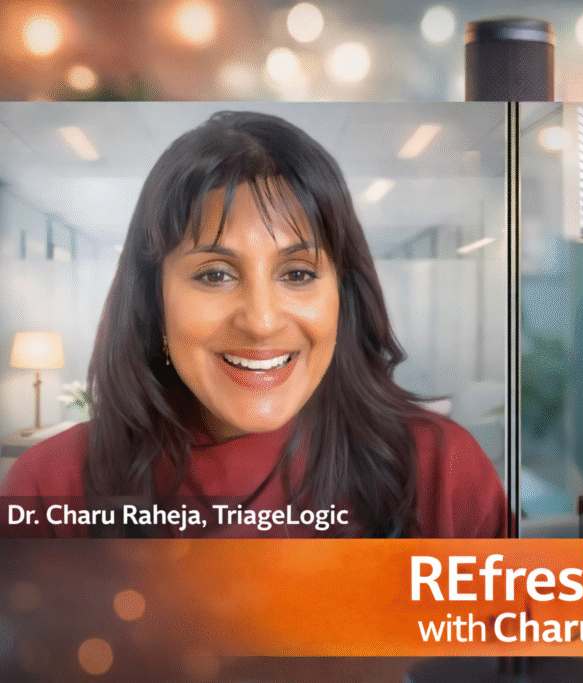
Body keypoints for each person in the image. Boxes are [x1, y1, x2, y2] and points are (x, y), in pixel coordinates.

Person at [1, 111, 507, 539]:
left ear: (342, 298)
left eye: (298, 273)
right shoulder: (51, 486)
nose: (262, 322)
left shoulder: (440, 469)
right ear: (154, 303)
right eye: (215, 274)